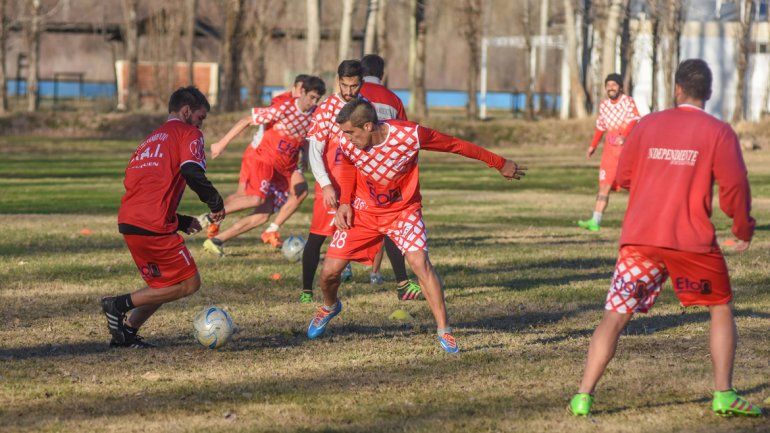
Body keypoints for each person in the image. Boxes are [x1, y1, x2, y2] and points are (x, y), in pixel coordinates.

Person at [569, 59, 762, 417]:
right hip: (691, 242)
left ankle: (583, 395)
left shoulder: (648, 125)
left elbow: (623, 176)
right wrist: (742, 229)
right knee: (720, 308)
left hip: (640, 239)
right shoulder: (719, 131)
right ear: (709, 92)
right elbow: (735, 186)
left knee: (614, 315)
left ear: (676, 89)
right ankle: (723, 394)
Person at [306, 99, 526, 353]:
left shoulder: (409, 135)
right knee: (328, 273)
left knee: (420, 263)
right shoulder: (347, 140)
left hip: (403, 212)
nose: (346, 138)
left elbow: (456, 145)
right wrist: (345, 202)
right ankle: (330, 306)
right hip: (364, 212)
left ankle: (444, 330)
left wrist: (498, 162)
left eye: (351, 133)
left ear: (368, 126)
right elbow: (346, 162)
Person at [101, 86, 224, 348]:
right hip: (152, 224)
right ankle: (118, 304)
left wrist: (179, 221)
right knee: (188, 283)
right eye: (201, 117)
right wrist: (215, 202)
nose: (201, 124)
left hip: (130, 221)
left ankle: (127, 333)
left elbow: (143, 186)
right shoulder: (188, 133)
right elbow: (191, 171)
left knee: (162, 284)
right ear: (186, 111)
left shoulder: (150, 140)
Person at [302, 59, 420, 304]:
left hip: (360, 187)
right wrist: (325, 185)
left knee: (386, 226)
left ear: (361, 83)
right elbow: (314, 150)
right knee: (318, 236)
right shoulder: (325, 109)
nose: (348, 91)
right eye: (344, 85)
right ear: (338, 81)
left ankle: (401, 283)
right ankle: (308, 291)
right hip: (331, 185)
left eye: (353, 86)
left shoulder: (364, 108)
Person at [200, 76, 326, 256]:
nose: (313, 102)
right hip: (264, 160)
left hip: (285, 168)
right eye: (312, 97)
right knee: (252, 198)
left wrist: (305, 157)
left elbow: (305, 136)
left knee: (265, 213)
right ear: (301, 91)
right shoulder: (284, 106)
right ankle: (211, 217)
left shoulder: (315, 114)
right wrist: (221, 143)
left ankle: (216, 241)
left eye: (317, 99)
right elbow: (246, 120)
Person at [359, 54, 409, 285]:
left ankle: (345, 265)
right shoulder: (393, 99)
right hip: (387, 168)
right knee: (386, 221)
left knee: (352, 215)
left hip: (358, 163)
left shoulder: (354, 94)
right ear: (383, 74)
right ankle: (376, 273)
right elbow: (404, 131)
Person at [577, 74, 640, 232]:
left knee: (635, 186)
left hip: (626, 151)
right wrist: (593, 145)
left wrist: (624, 137)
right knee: (604, 186)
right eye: (608, 85)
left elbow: (634, 120)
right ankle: (595, 221)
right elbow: (600, 126)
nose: (611, 87)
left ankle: (641, 222)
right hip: (609, 153)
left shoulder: (628, 101)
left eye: (614, 84)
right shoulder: (604, 105)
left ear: (620, 87)